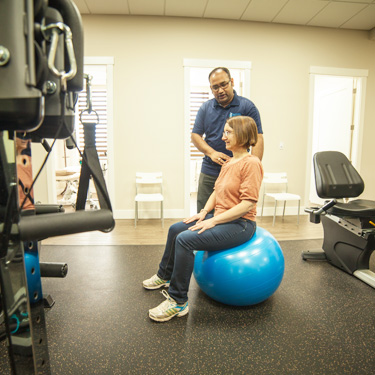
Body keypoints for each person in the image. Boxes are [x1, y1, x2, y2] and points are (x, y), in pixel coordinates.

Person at [143, 116, 264, 322]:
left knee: (185, 239)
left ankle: (178, 301)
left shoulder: (251, 164)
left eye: (228, 132)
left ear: (242, 135)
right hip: (221, 216)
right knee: (175, 229)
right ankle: (165, 276)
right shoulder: (229, 162)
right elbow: (216, 192)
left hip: (241, 224)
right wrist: (203, 213)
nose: (223, 136)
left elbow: (247, 204)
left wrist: (213, 221)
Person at [192, 67, 264, 213]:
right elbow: (195, 135)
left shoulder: (247, 106)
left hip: (238, 172)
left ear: (231, 82)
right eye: (215, 87)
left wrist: (252, 168)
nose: (220, 90)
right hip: (210, 171)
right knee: (204, 213)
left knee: (231, 214)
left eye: (224, 84)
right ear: (211, 89)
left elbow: (258, 137)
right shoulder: (206, 108)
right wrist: (211, 153)